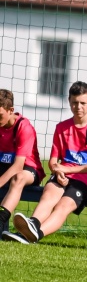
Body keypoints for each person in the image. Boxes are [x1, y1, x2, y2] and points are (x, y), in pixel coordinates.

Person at [3, 82, 87, 244]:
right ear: (69, 101)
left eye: (83, 103)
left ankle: (35, 234)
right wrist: (57, 171)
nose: (78, 107)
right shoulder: (62, 127)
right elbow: (53, 161)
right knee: (49, 193)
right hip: (63, 174)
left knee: (64, 205)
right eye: (74, 102)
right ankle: (33, 224)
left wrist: (67, 170)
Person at [0, 90, 46, 235]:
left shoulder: (23, 127)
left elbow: (18, 166)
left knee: (17, 178)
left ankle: (0, 219)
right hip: (5, 167)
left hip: (29, 170)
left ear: (11, 110)